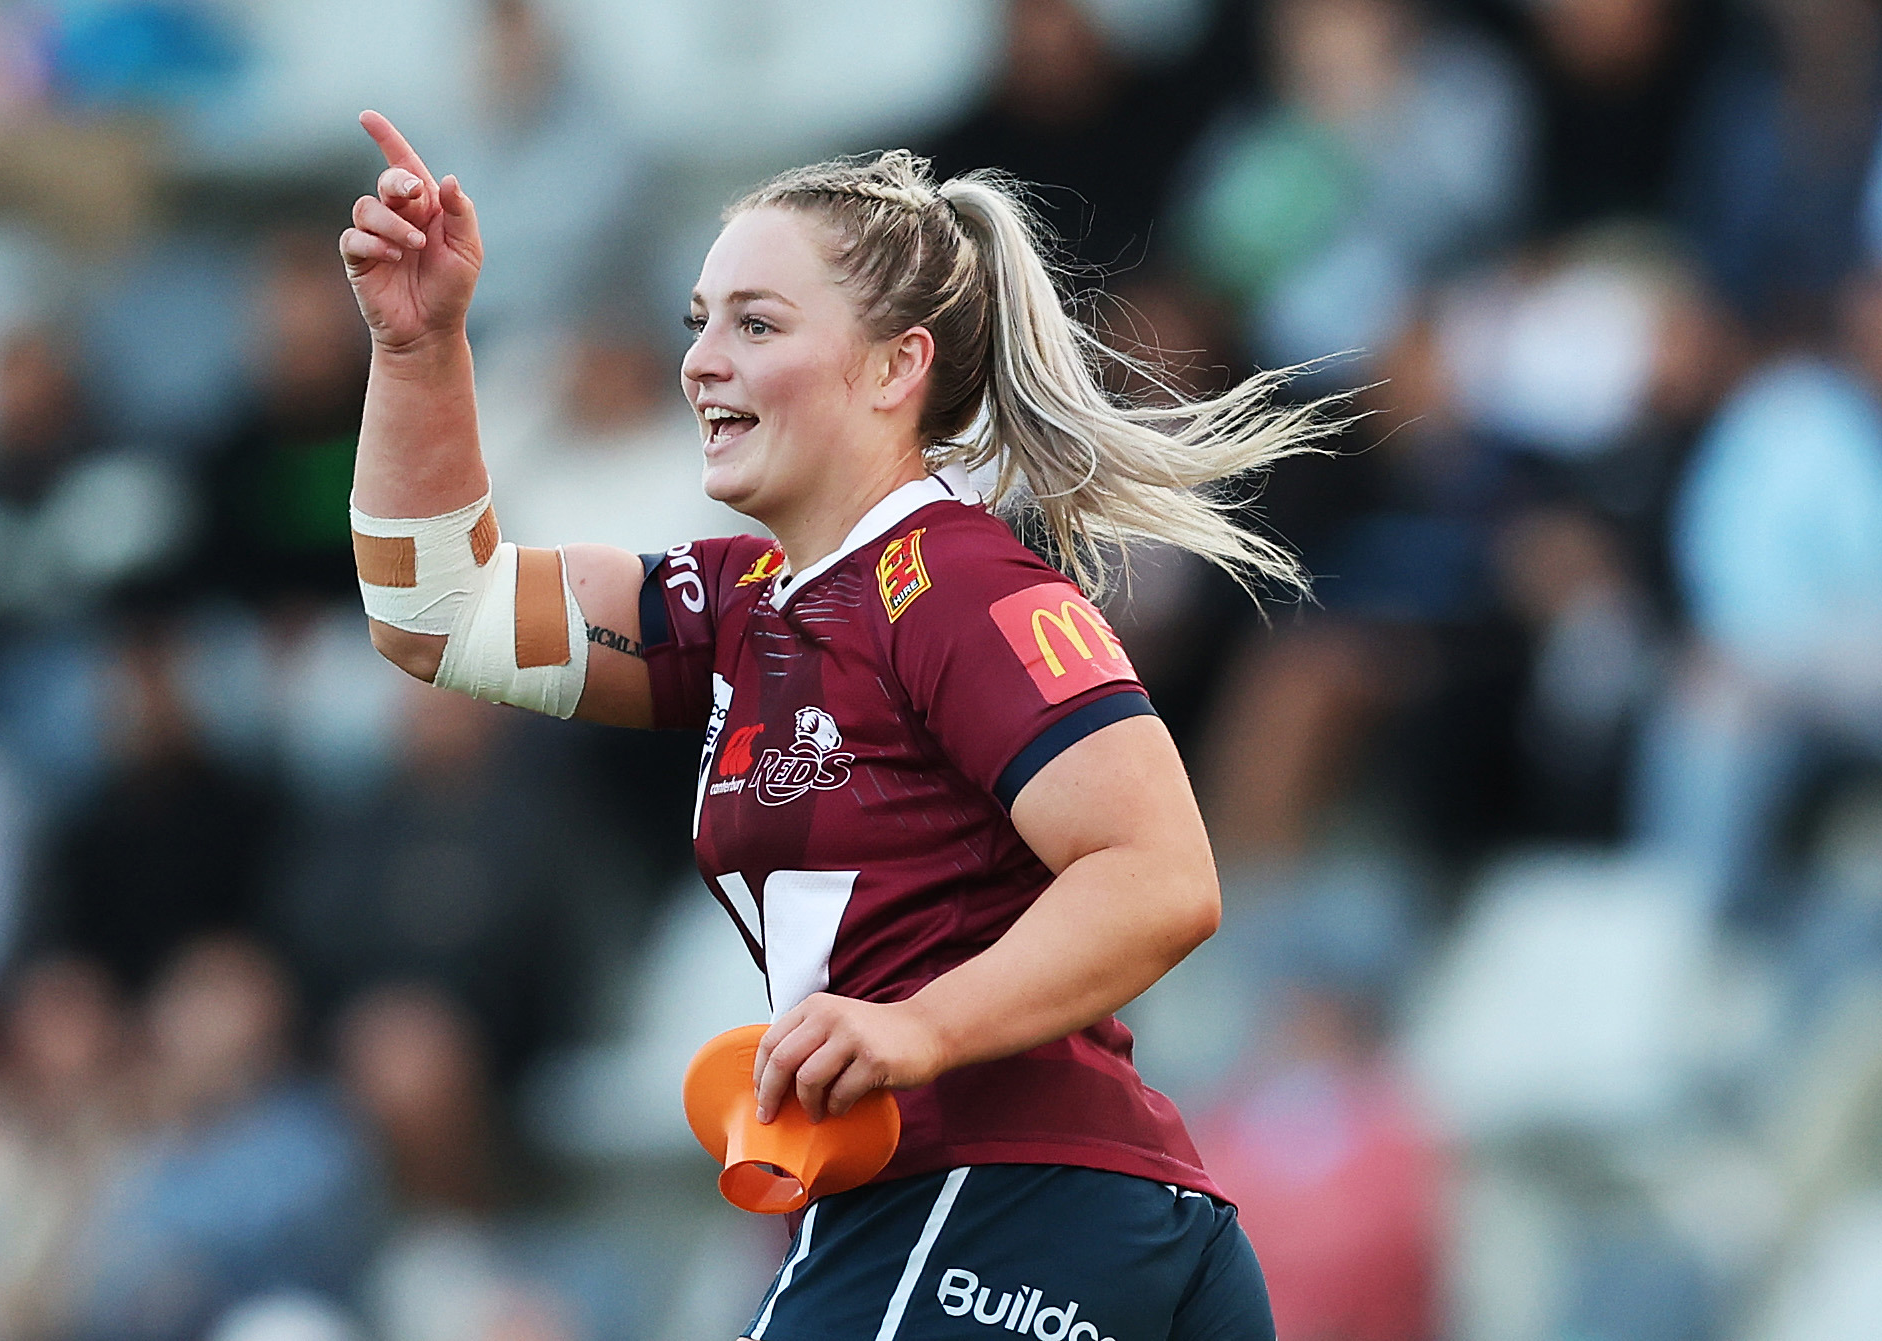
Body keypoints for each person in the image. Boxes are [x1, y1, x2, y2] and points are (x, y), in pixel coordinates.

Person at [338, 109, 1342, 1340]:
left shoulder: (958, 587)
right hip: (1046, 1215)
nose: (703, 360)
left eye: (755, 324)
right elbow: (438, 613)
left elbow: (1160, 875)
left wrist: (917, 1026)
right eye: (696, 322)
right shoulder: (737, 606)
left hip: (997, 1199)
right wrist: (419, 344)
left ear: (892, 369)